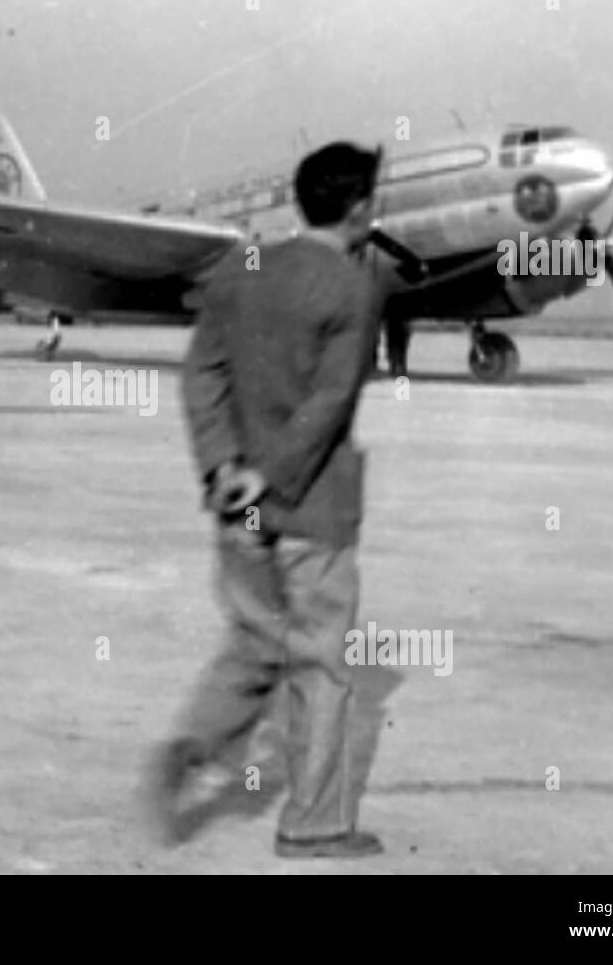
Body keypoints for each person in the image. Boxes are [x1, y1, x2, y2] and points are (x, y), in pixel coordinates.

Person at [151, 141, 388, 859]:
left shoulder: (238, 272)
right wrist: (274, 475)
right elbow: (331, 397)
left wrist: (226, 467)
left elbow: (201, 376)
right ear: (360, 207)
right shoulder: (355, 286)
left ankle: (193, 744)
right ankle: (314, 826)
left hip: (236, 507)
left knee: (255, 642)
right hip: (313, 509)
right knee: (319, 665)